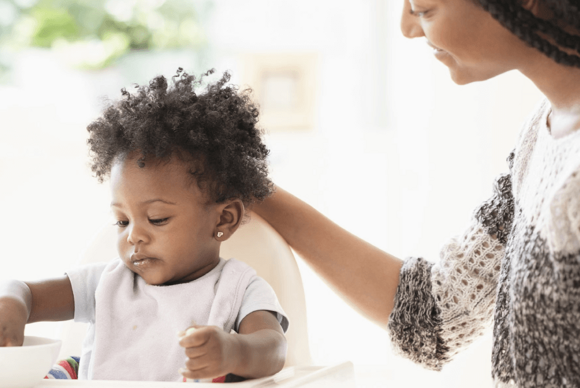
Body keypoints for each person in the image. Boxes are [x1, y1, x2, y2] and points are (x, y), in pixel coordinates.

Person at [252, 0, 580, 386]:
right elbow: (436, 312)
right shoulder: (540, 134)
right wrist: (253, 190)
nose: (408, 28)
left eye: (423, 8)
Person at [0, 69, 288, 382]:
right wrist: (13, 305)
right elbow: (24, 291)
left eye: (157, 219)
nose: (134, 235)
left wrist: (233, 351)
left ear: (223, 219)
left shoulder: (239, 287)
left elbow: (273, 348)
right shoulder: (105, 283)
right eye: (122, 221)